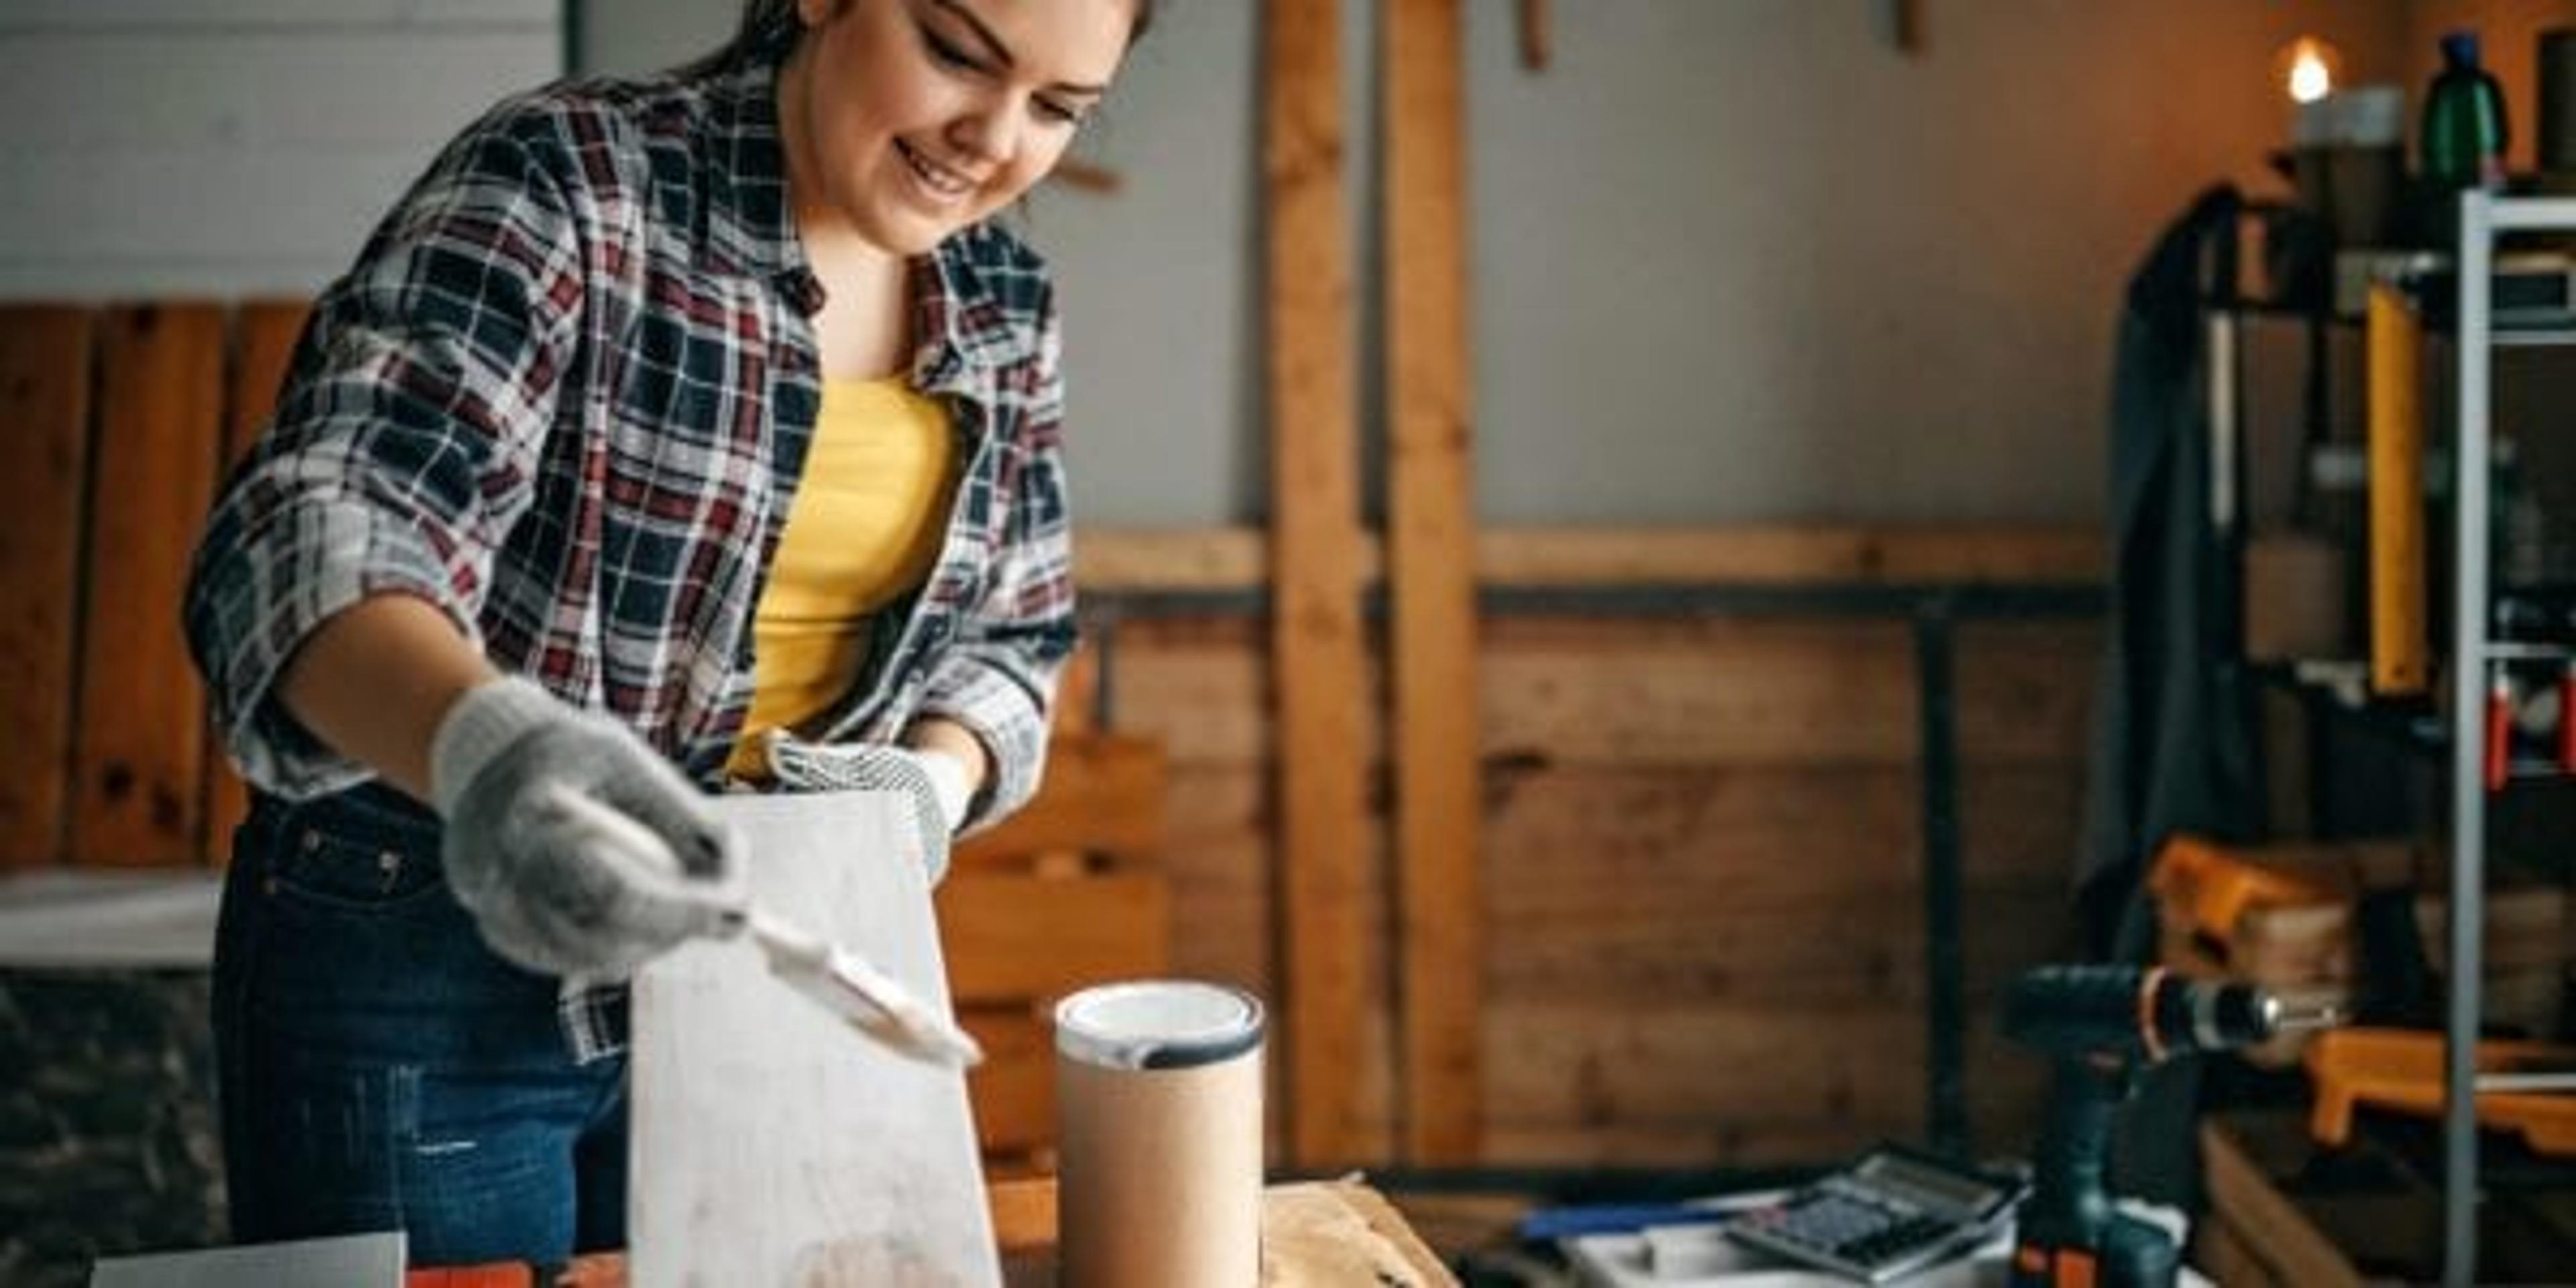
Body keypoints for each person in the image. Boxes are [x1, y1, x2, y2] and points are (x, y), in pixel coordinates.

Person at [182, 0, 1148, 1264]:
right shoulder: (572, 180)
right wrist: (493, 761)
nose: (994, 138)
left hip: (764, 961)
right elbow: (313, 530)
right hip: (421, 944)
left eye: (1057, 109)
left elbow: (1016, 637)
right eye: (958, 53)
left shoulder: (1005, 297)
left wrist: (930, 784)